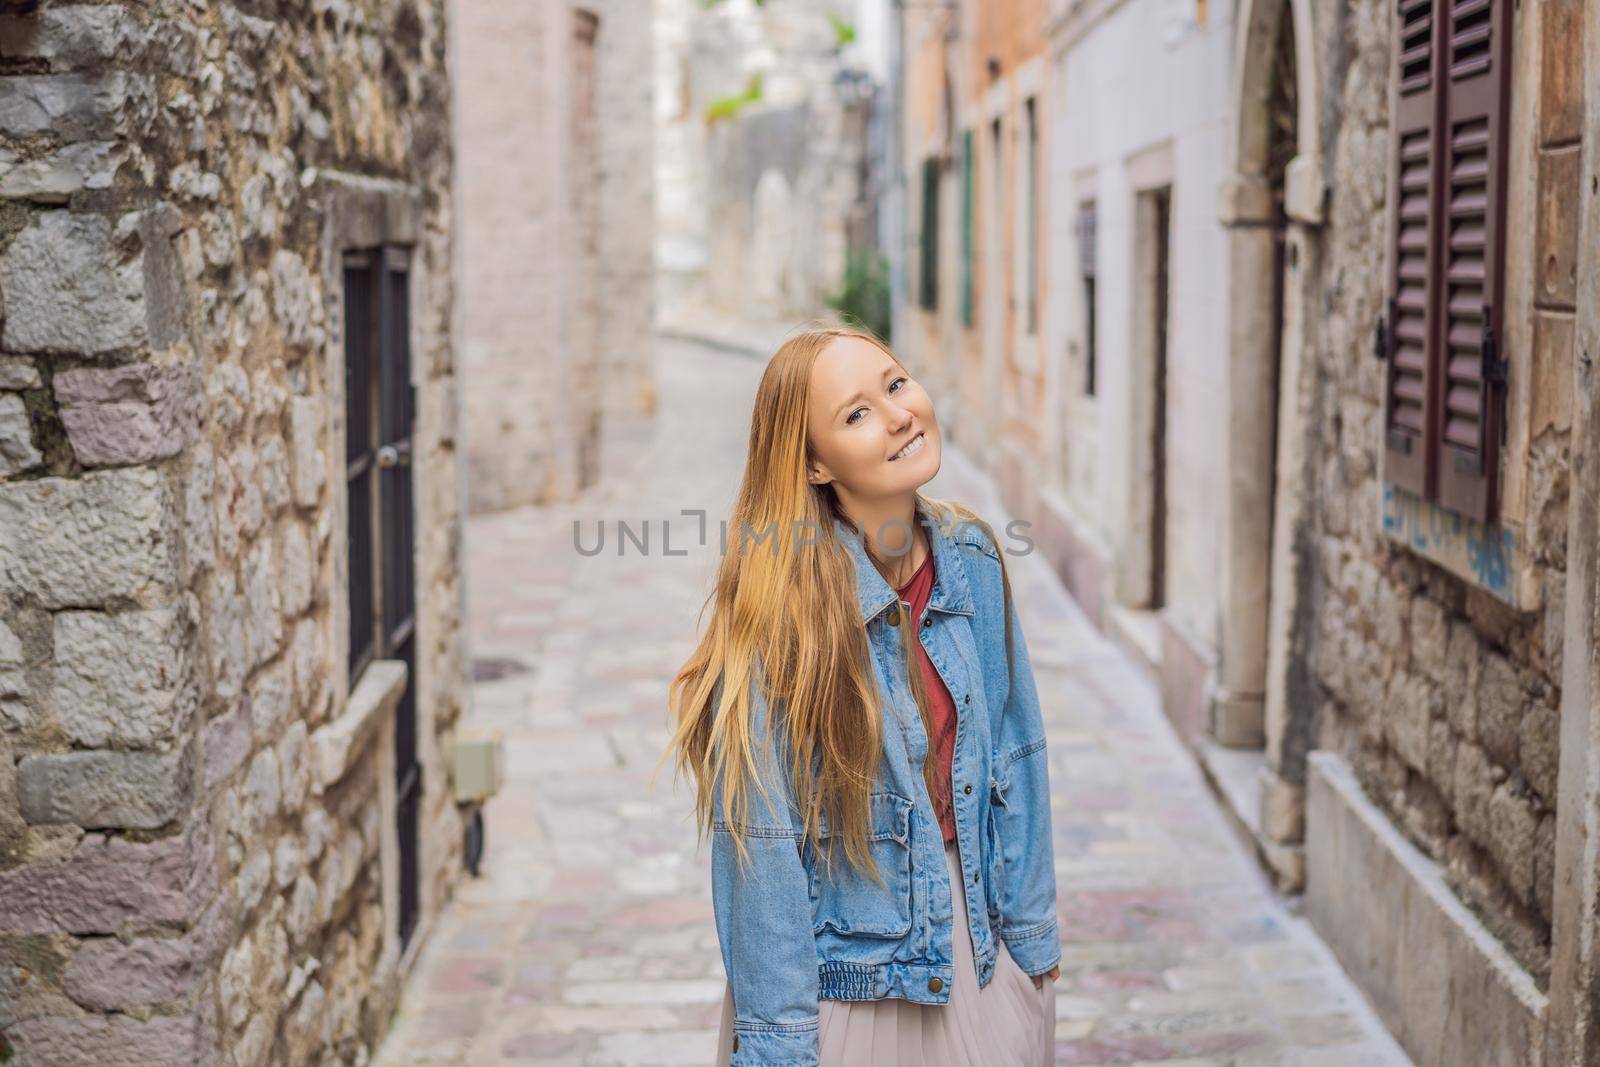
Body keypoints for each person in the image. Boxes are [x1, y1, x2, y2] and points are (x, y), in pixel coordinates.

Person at [663, 325, 1060, 1065]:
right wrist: (782, 1045)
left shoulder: (972, 558)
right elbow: (762, 845)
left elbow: (1017, 747)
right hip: (850, 997)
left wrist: (1033, 952)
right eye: (856, 414)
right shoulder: (781, 616)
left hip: (980, 961)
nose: (899, 413)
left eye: (896, 383)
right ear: (814, 463)